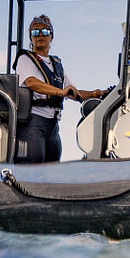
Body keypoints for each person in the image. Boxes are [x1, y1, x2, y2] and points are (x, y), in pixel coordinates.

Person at [13, 14, 105, 163]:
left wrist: (96, 93)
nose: (40, 35)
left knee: (53, 167)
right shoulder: (25, 59)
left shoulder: (56, 64)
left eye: (45, 31)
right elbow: (31, 82)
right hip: (33, 123)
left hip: (53, 126)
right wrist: (60, 92)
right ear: (31, 38)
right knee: (32, 169)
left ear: (52, 36)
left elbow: (73, 92)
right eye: (35, 32)